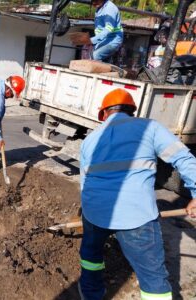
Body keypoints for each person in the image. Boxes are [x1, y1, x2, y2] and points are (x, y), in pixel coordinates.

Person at [78, 88, 196, 300]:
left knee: (91, 256)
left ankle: (91, 294)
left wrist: (88, 210)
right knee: (152, 275)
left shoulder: (91, 137)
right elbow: (184, 159)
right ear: (132, 111)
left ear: (103, 113)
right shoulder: (149, 128)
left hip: (94, 211)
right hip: (136, 215)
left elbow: (84, 182)